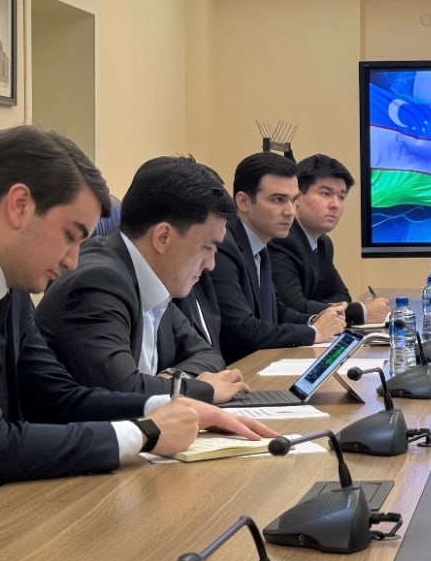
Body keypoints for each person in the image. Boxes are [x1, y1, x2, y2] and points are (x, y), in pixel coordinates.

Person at [0, 127, 274, 523]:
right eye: (71, 236)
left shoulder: (5, 275)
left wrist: (168, 407)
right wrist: (146, 432)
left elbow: (58, 398)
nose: (72, 260)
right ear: (19, 205)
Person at [37, 156, 248, 404]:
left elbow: (207, 354)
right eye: (207, 247)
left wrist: (172, 379)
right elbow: (123, 391)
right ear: (163, 237)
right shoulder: (97, 283)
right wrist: (200, 389)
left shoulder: (152, 280)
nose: (211, 264)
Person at [210, 152, 346, 363]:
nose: (290, 211)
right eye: (278, 200)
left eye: (294, 200)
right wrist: (314, 332)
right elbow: (241, 328)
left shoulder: (260, 243)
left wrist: (315, 320)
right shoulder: (223, 246)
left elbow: (278, 311)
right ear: (243, 202)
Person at [269, 154, 389, 325]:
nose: (335, 205)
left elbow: (342, 295)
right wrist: (362, 311)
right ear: (297, 197)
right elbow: (293, 307)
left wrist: (316, 306)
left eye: (341, 197)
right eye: (325, 194)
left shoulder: (323, 243)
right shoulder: (281, 240)